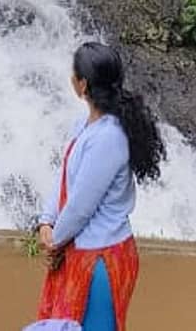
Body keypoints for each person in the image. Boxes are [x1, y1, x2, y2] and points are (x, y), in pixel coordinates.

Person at [33, 42, 165, 331]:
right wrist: (46, 221)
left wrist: (54, 242)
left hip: (101, 260)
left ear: (82, 85)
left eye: (74, 74)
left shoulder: (109, 137)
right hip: (76, 252)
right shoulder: (84, 125)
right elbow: (64, 176)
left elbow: (82, 206)